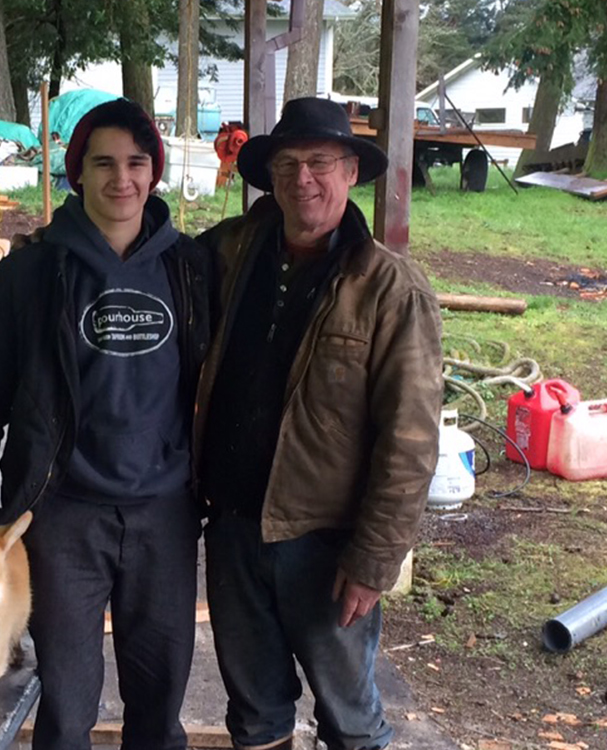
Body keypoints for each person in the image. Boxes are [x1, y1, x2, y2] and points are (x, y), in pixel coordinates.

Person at [0, 98, 212, 750]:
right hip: (60, 516)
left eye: (137, 163)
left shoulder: (191, 270)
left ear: (154, 172)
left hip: (163, 514)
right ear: (76, 173)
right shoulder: (29, 277)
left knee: (159, 700)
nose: (122, 179)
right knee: (63, 702)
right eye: (103, 163)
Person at [194, 97, 444, 750]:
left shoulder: (389, 289)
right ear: (270, 177)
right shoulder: (229, 253)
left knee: (350, 720)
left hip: (325, 548)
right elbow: (141, 258)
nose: (302, 178)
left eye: (319, 162)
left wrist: (373, 559)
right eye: (287, 164)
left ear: (350, 173)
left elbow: (410, 442)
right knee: (253, 714)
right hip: (232, 529)